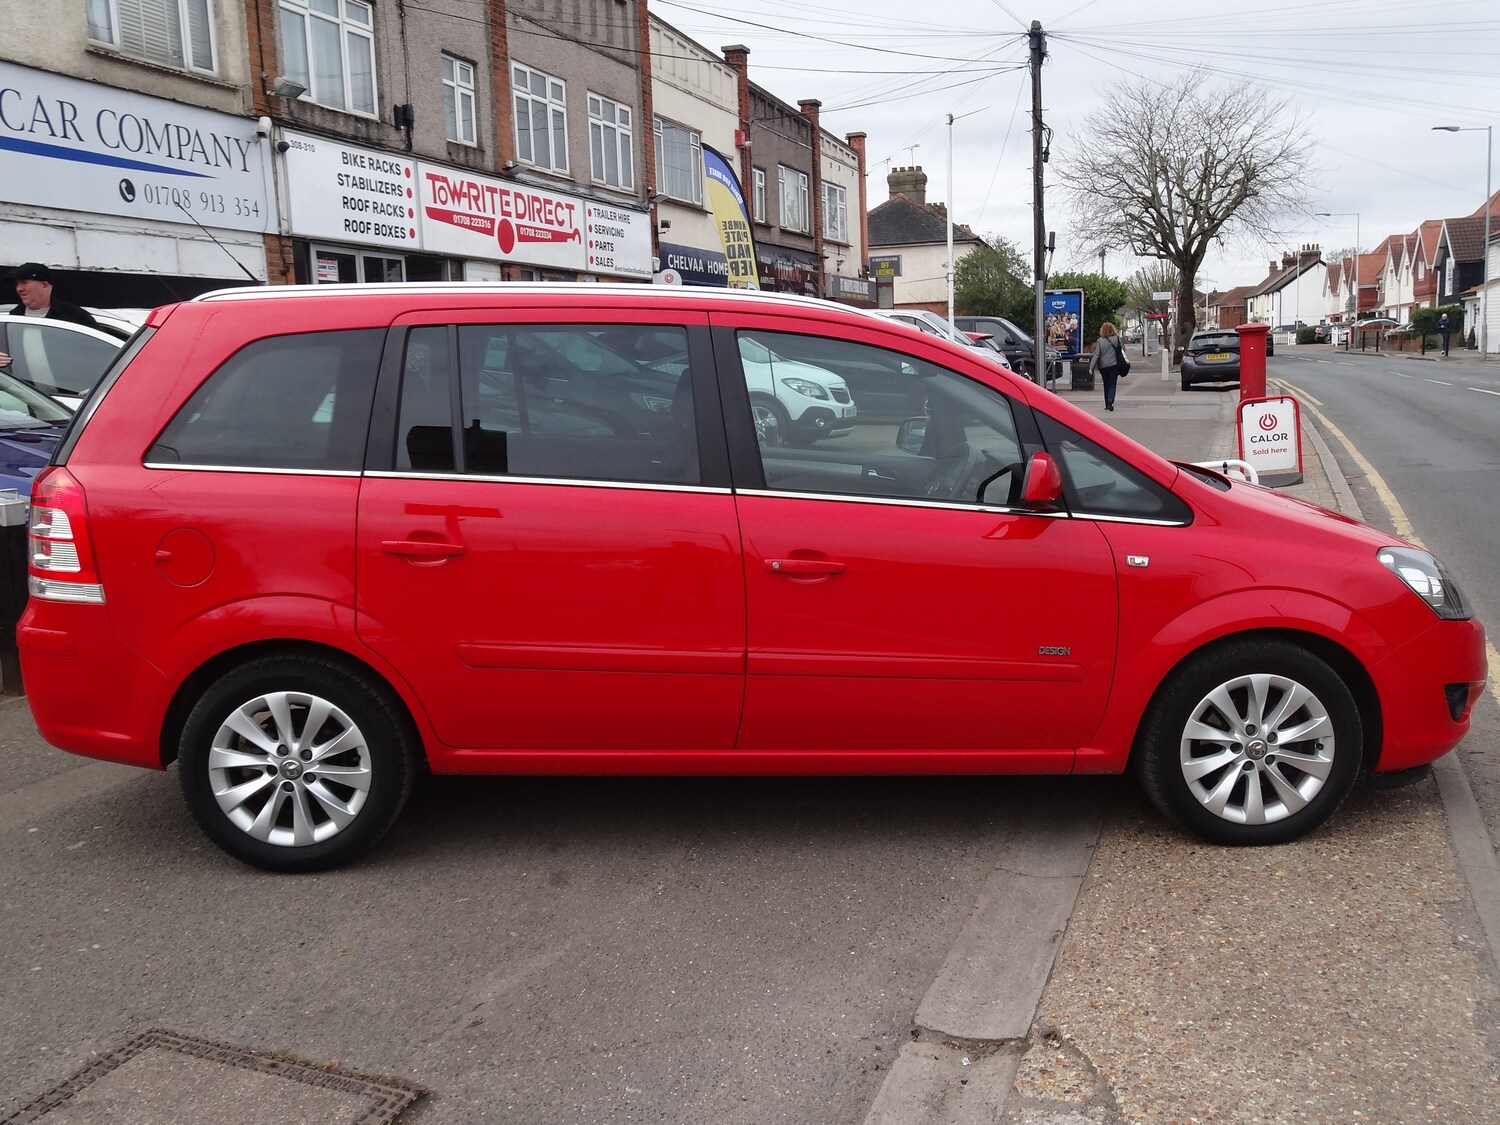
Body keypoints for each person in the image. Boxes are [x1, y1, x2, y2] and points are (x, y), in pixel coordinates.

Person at [1089, 322, 1127, 412]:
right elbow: (1123, 350)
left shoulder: (1100, 340)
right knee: (1112, 384)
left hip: (1103, 366)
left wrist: (1091, 367)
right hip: (1114, 365)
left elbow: (1096, 354)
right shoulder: (1117, 338)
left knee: (1106, 384)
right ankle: (1111, 399)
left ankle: (1107, 404)